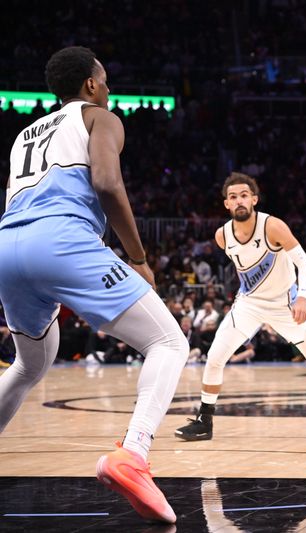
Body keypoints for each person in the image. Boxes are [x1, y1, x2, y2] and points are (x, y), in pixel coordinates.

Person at [0, 47, 189, 523]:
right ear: (90, 84)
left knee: (30, 363)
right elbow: (107, 183)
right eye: (104, 81)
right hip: (62, 239)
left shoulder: (24, 134)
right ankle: (134, 455)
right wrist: (139, 257)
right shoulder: (100, 118)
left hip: (8, 245)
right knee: (168, 342)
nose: (108, 89)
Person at [175, 173, 306, 441]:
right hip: (249, 304)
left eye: (244, 195)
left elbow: (304, 263)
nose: (239, 200)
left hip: (286, 304)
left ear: (254, 199)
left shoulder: (273, 226)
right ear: (226, 204)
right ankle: (204, 421)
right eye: (233, 197)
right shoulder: (222, 236)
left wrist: (302, 296)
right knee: (214, 357)